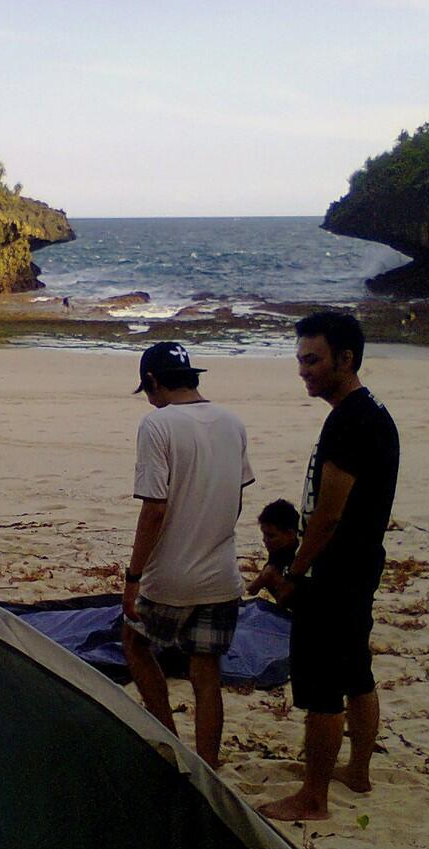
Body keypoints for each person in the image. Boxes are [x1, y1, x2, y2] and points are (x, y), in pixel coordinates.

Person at [257, 312, 399, 822]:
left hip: (337, 572)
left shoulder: (350, 419)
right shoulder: (371, 412)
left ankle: (312, 796)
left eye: (313, 360)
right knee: (356, 672)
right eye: (299, 360)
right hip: (362, 566)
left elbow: (329, 513)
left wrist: (295, 571)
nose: (303, 371)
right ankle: (357, 771)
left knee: (321, 688)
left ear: (346, 358)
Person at [121, 341, 255, 768]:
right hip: (221, 574)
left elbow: (154, 508)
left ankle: (168, 741)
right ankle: (209, 763)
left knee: (134, 643)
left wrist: (133, 575)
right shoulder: (232, 423)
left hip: (170, 577)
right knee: (206, 674)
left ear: (153, 382)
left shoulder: (157, 425)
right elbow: (235, 500)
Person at [245, 499, 300, 598]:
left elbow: (253, 589)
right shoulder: (278, 548)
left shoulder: (303, 551)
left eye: (271, 536)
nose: (265, 540)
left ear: (290, 534)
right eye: (264, 534)